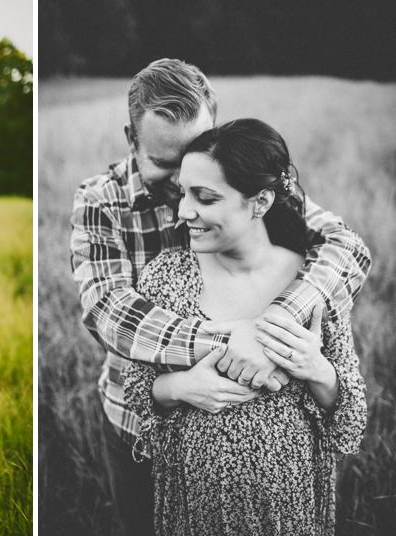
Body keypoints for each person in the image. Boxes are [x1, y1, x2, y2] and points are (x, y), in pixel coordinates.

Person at [70, 59, 371, 534]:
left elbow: (345, 248)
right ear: (132, 139)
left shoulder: (244, 177)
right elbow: (110, 314)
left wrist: (278, 326)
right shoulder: (100, 201)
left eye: (198, 153)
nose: (182, 191)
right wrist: (232, 342)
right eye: (167, 166)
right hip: (141, 425)